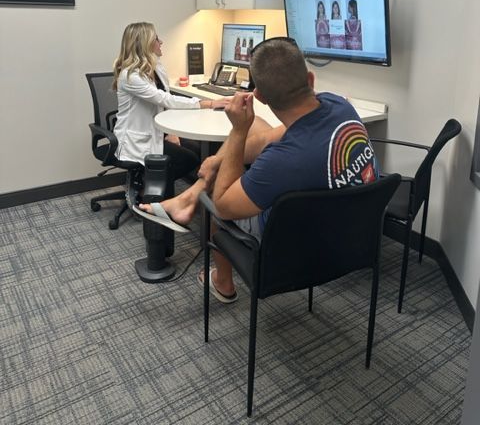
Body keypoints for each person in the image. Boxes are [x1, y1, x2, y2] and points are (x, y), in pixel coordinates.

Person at [139, 37, 378, 302]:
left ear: (259, 96)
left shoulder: (281, 161)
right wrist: (221, 157)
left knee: (219, 202)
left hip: (301, 242)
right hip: (354, 232)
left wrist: (239, 129)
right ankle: (190, 196)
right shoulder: (339, 105)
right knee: (258, 128)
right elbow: (269, 137)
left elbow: (223, 204)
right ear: (311, 80)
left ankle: (223, 282)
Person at [112, 22, 229, 179]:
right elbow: (165, 99)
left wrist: (171, 132)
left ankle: (169, 191)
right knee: (189, 159)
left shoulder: (156, 67)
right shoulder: (131, 77)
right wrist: (208, 103)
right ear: (145, 45)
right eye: (156, 39)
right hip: (138, 140)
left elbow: (165, 105)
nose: (161, 42)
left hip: (156, 131)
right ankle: (147, 188)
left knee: (196, 149)